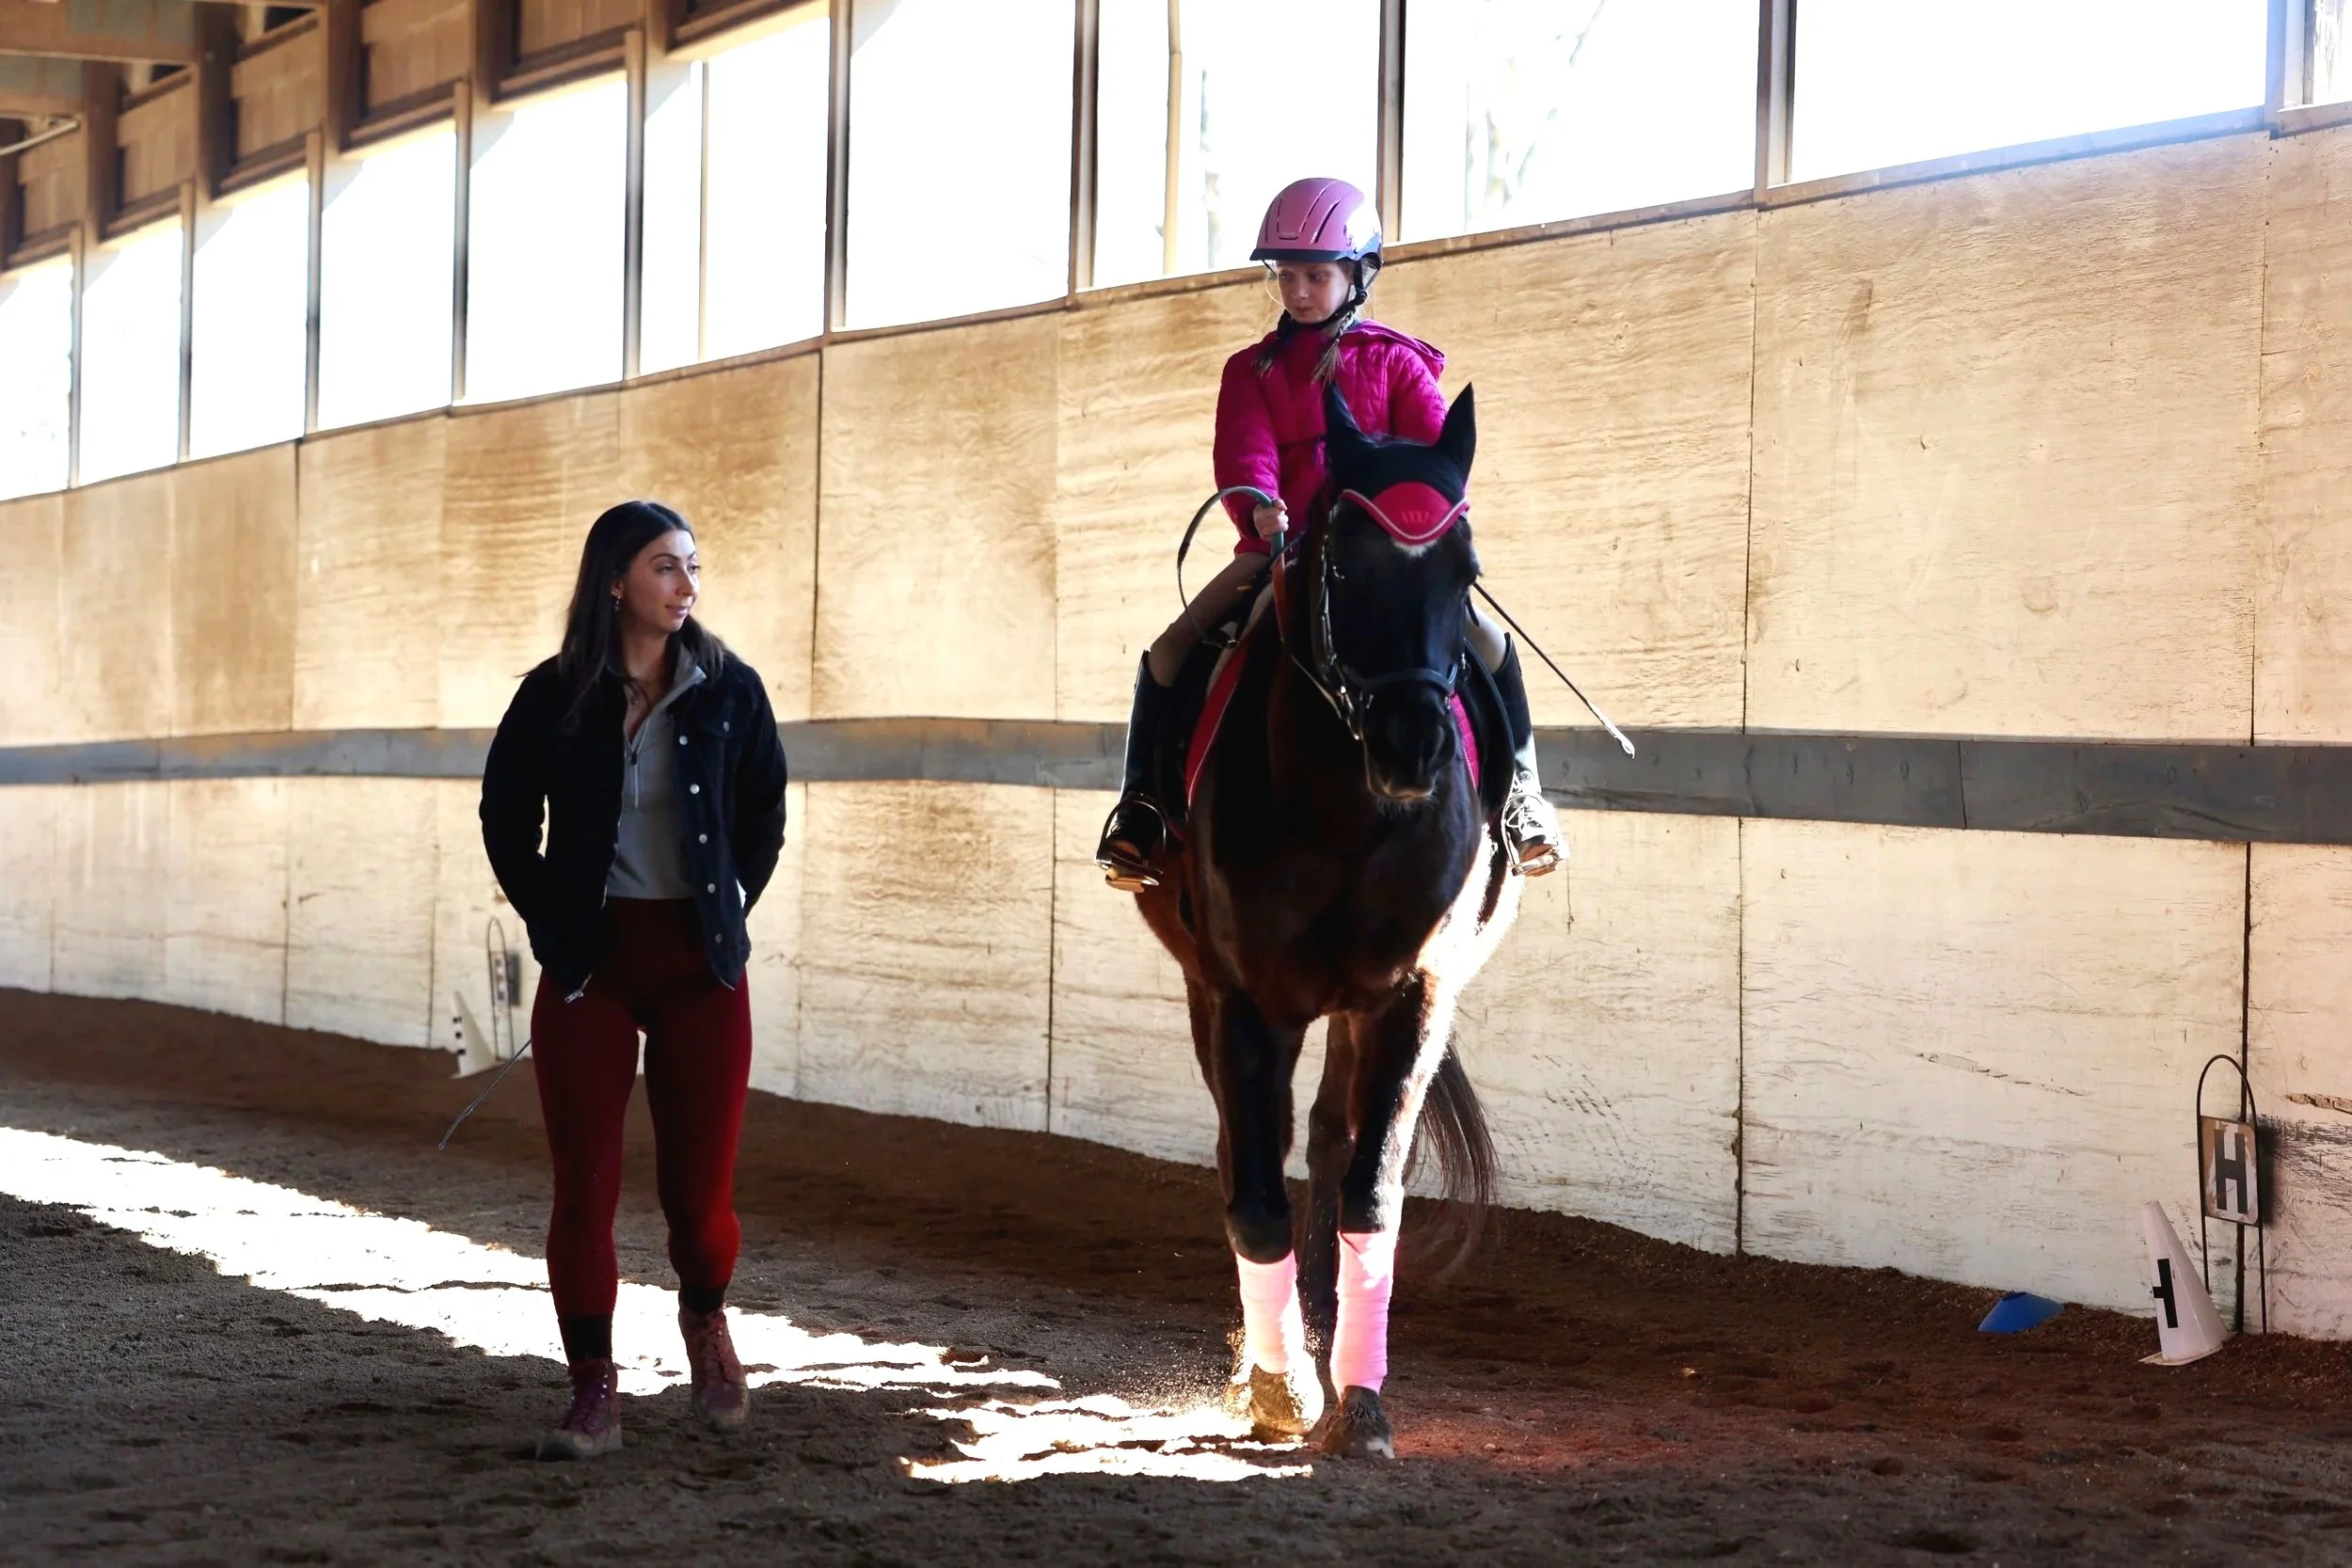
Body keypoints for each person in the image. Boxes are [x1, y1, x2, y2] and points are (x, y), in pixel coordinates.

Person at [1094, 176, 1563, 891]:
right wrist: (1258, 509)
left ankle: (1523, 798)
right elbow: (1242, 449)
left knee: (1492, 648)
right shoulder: (1251, 370)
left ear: (1357, 274)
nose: (1300, 291)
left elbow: (1435, 461)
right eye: (1287, 276)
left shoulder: (1398, 363)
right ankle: (1143, 809)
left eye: (1317, 275)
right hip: (1277, 551)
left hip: (1388, 561)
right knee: (1168, 653)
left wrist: (1423, 530)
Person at [480, 499, 789, 1460]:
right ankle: (592, 1384)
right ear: (615, 580)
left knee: (700, 1199)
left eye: (692, 564)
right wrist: (553, 917)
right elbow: (503, 813)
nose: (686, 584)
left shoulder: (732, 688)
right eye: (665, 566)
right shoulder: (553, 694)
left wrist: (724, 911)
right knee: (586, 1187)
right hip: (590, 966)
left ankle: (706, 1322)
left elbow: (765, 813)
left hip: (700, 965)